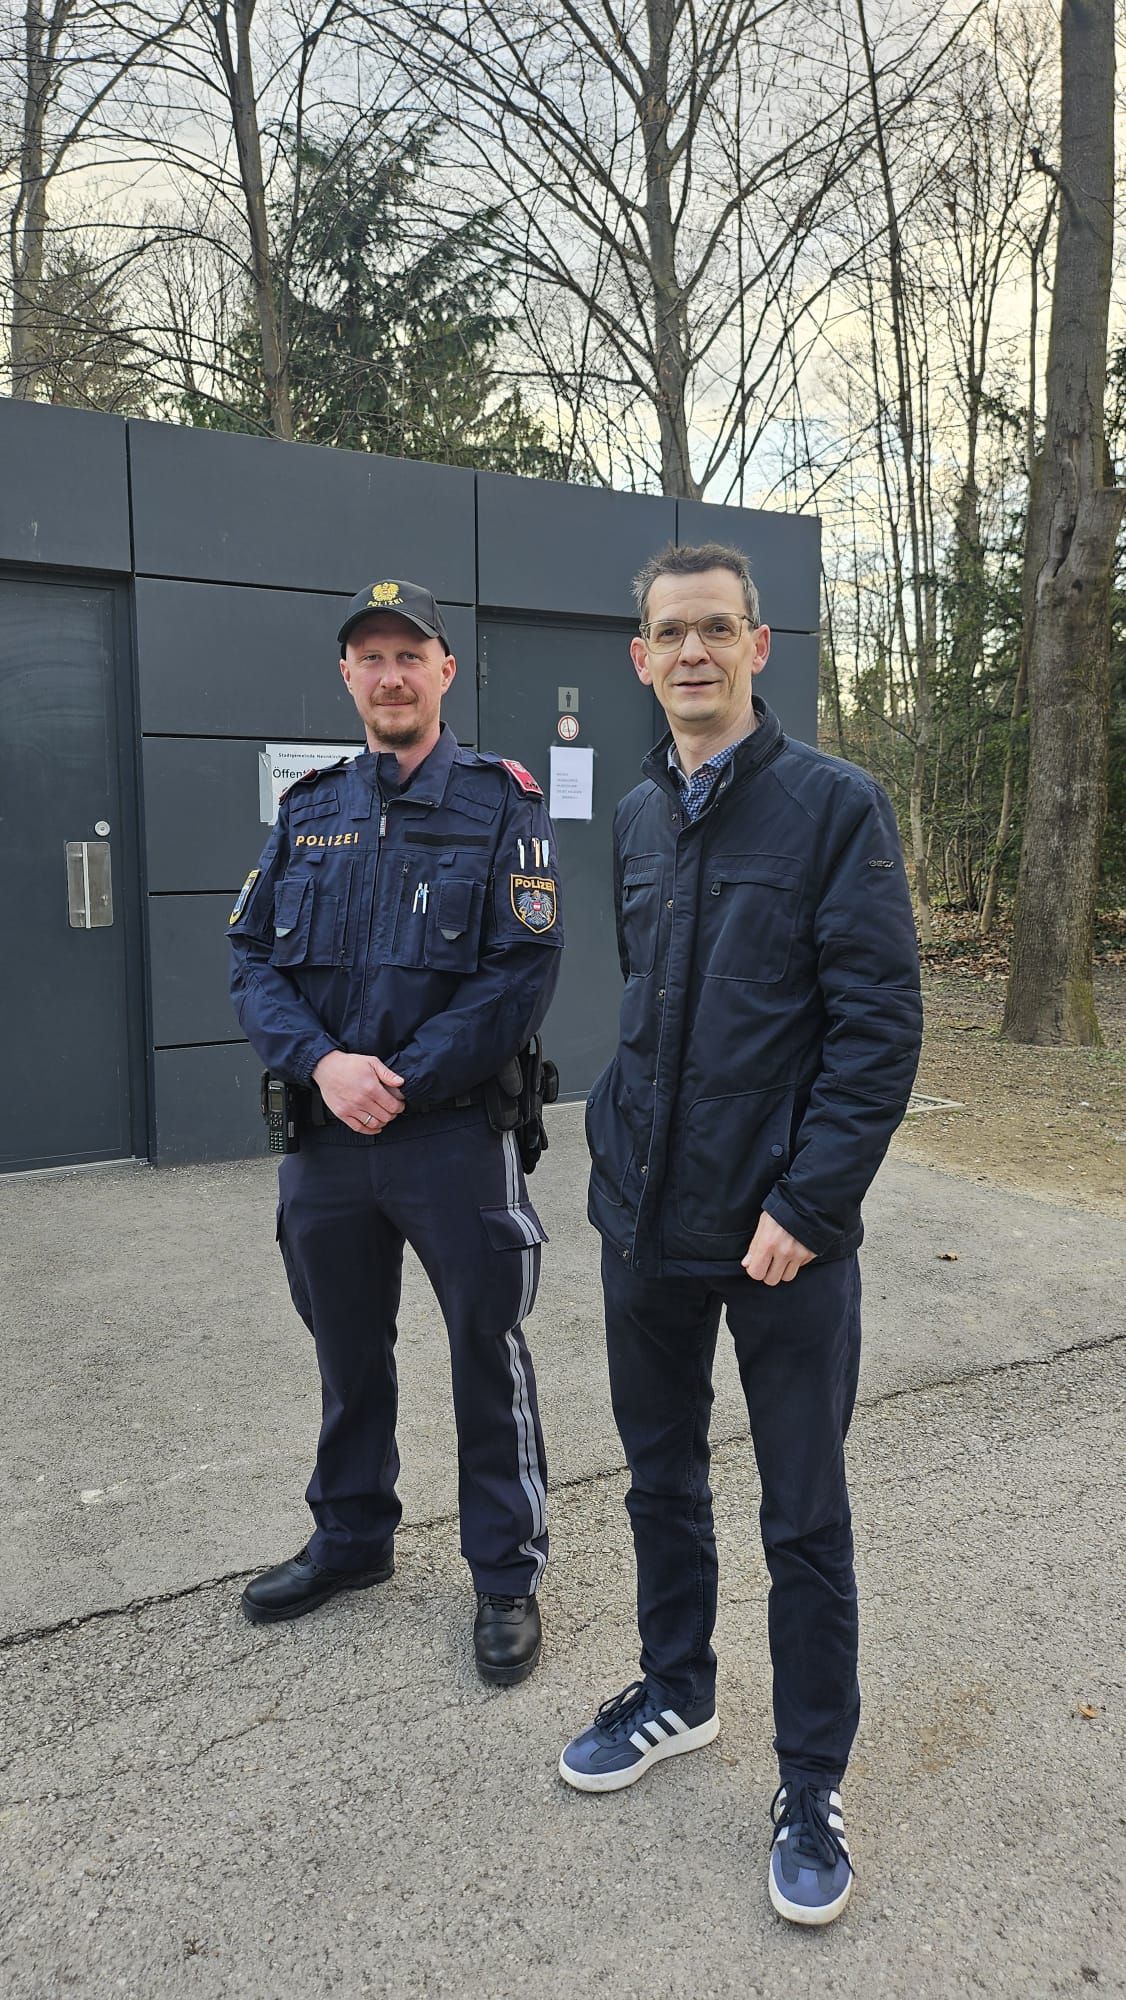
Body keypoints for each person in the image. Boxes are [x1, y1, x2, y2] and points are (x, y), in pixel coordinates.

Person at [559, 542, 922, 1924]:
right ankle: (678, 1689)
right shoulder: (638, 814)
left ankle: (810, 1779)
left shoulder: (834, 807)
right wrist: (616, 1165)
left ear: (757, 647)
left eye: (717, 628)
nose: (693, 652)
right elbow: (647, 1005)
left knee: (802, 1518)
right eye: (670, 632)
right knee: (658, 1480)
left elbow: (877, 1031)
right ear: (640, 657)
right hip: (645, 1222)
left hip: (782, 1242)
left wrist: (808, 1205)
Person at [229, 578, 562, 1687]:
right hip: (326, 1139)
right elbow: (251, 960)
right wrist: (325, 1065)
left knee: (484, 1351)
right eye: (369, 657)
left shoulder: (501, 802)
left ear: (444, 670)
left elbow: (520, 970)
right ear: (346, 676)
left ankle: (505, 1573)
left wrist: (401, 1081)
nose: (390, 676)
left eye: (408, 655)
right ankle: (351, 1538)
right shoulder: (308, 809)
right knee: (346, 1351)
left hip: (451, 1137)